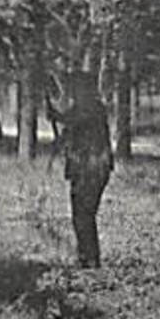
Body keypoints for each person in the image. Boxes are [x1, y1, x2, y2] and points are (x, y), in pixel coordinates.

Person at [48, 71, 114, 268]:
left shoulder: (92, 108)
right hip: (83, 168)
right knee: (81, 214)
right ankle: (85, 256)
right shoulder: (84, 107)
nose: (71, 93)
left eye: (74, 88)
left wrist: (56, 115)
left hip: (92, 167)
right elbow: (70, 126)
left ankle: (90, 258)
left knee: (84, 213)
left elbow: (73, 120)